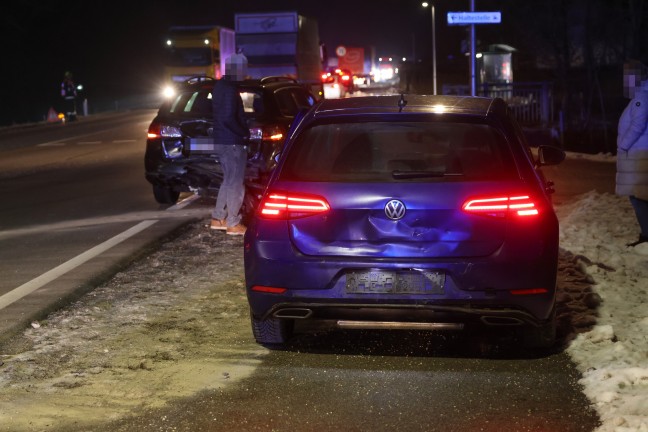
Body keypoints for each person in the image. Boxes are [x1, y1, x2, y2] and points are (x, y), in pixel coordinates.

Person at [209, 52, 250, 236]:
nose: (245, 73)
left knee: (228, 181)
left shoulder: (221, 86)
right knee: (235, 183)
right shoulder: (228, 89)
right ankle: (233, 222)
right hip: (232, 142)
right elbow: (228, 118)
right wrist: (243, 132)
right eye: (243, 69)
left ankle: (218, 218)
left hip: (223, 140)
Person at [616, 59, 648, 247]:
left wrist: (623, 144)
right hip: (640, 154)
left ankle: (646, 236)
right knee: (640, 196)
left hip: (638, 156)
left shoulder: (640, 99)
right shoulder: (642, 96)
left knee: (638, 198)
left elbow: (637, 125)